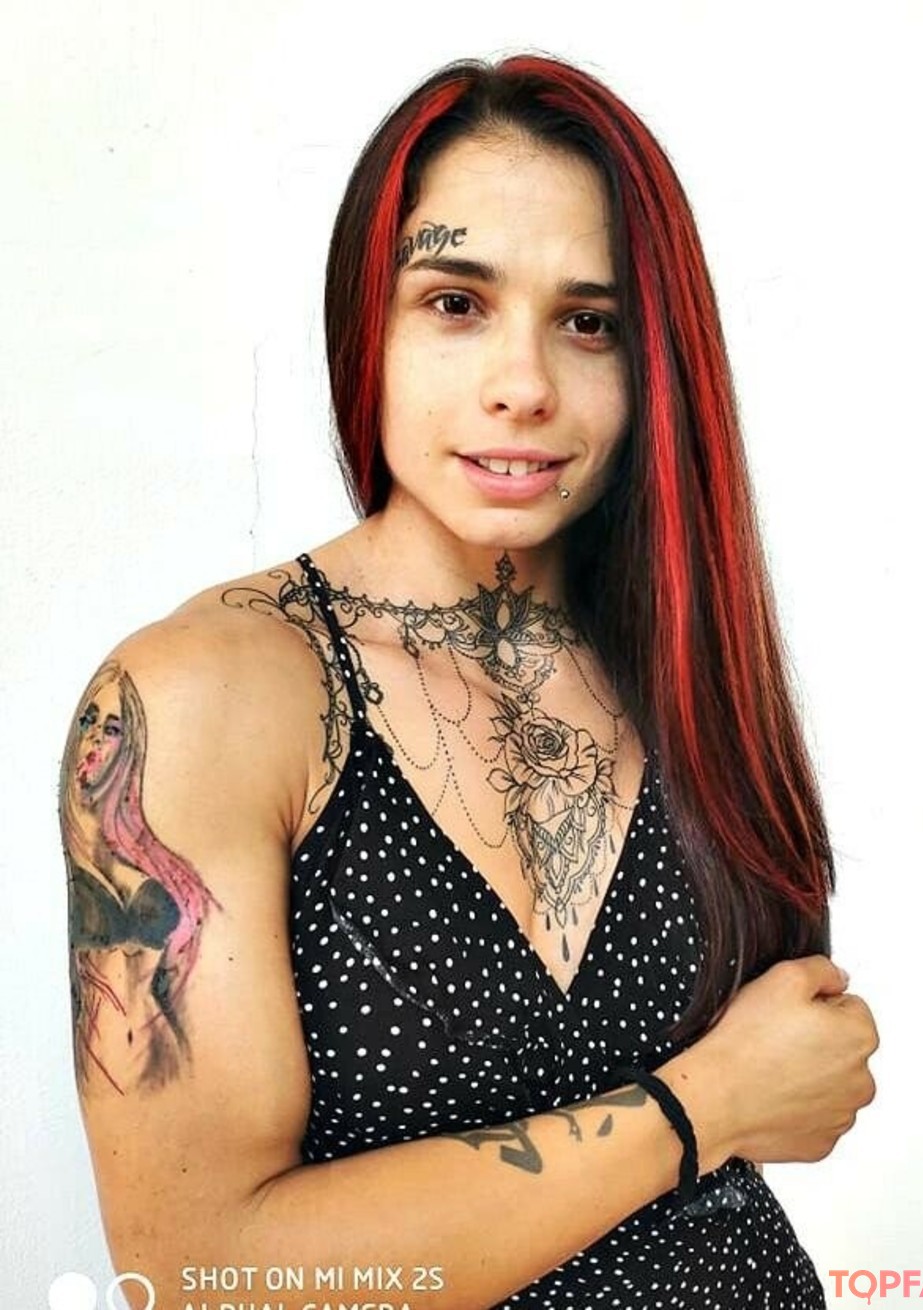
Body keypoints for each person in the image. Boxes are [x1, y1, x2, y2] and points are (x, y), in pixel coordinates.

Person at [60, 54, 878, 1310]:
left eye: (589, 321)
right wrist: (702, 1103)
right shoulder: (206, 696)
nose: (524, 385)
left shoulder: (681, 666)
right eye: (456, 302)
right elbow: (193, 1269)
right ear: (368, 324)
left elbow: (801, 1078)